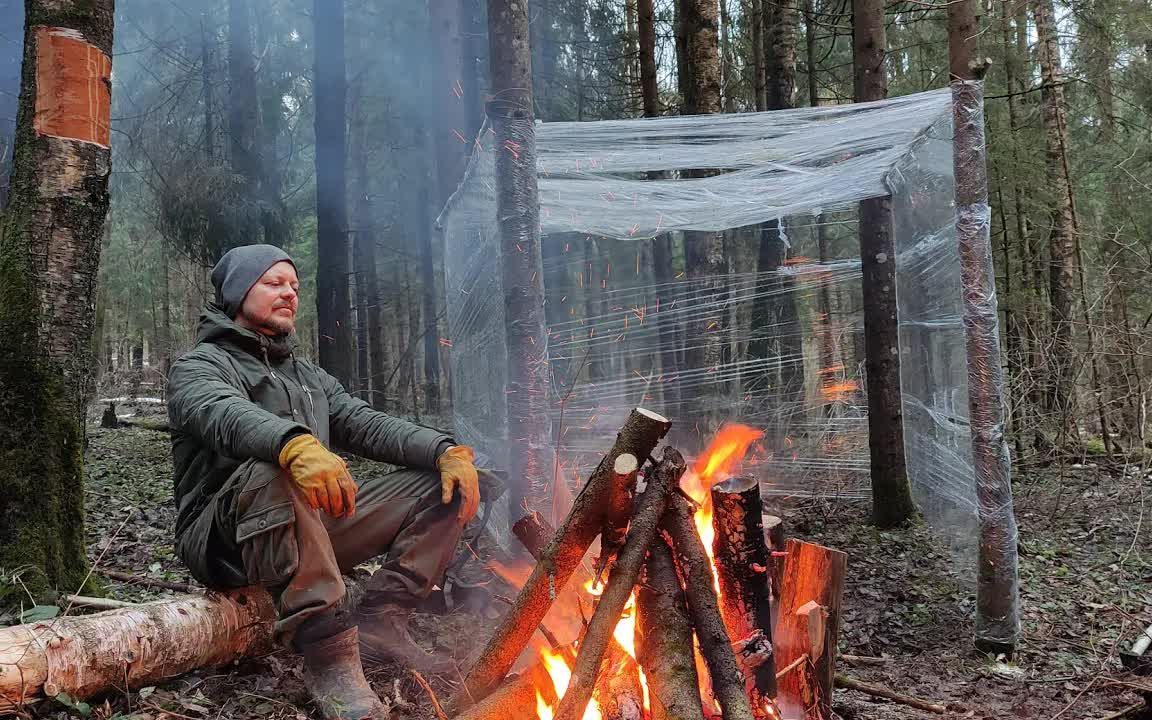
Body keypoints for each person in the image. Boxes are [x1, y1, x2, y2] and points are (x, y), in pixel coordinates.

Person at [167, 244, 480, 720]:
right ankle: (329, 654)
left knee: (437, 483)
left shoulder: (307, 375)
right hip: (224, 540)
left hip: (302, 526)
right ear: (236, 293)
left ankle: (381, 620)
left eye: (294, 285)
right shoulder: (200, 366)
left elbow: (365, 423)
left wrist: (442, 449)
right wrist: (293, 444)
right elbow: (220, 413)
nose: (289, 293)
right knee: (277, 466)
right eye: (273, 283)